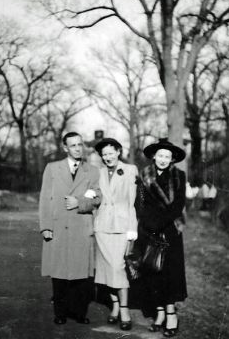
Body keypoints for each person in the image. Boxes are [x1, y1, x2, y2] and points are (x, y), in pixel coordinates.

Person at [39, 132, 101, 325]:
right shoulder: (52, 168)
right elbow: (45, 199)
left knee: (80, 274)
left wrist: (80, 203)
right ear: (65, 148)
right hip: (58, 227)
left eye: (80, 145)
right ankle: (60, 313)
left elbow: (97, 198)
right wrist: (46, 226)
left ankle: (78, 312)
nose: (77, 148)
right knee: (59, 273)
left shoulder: (92, 171)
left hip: (81, 228)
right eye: (72, 145)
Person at [135, 138, 187, 337]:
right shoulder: (144, 176)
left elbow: (178, 205)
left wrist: (160, 224)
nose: (163, 159)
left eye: (167, 156)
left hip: (170, 229)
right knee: (152, 271)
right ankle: (159, 314)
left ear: (172, 158)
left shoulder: (179, 176)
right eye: (160, 155)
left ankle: (171, 314)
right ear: (154, 156)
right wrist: (149, 224)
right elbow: (140, 203)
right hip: (148, 230)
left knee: (170, 274)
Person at [94, 138, 138, 331]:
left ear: (118, 152)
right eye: (104, 154)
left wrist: (132, 229)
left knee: (117, 267)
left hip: (121, 225)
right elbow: (95, 196)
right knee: (106, 270)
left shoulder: (130, 170)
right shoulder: (99, 172)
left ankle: (125, 310)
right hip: (102, 226)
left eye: (111, 153)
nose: (108, 157)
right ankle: (114, 307)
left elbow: (133, 202)